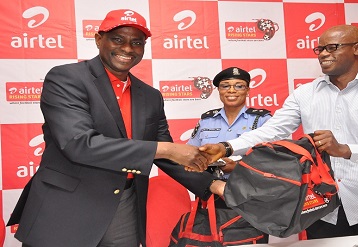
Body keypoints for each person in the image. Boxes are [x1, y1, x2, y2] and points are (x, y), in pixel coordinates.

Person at [7, 9, 220, 247]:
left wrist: (212, 184)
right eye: (118, 39)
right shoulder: (66, 78)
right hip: (66, 204)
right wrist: (167, 150)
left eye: (136, 43)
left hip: (124, 204)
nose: (127, 49)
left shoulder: (150, 96)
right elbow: (79, 143)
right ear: (99, 39)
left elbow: (166, 153)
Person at [200, 24, 358, 239]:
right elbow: (273, 131)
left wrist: (345, 150)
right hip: (321, 209)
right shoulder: (305, 94)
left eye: (332, 47)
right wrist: (226, 147)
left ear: (357, 48)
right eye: (319, 49)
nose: (323, 54)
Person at [188, 67, 271, 178]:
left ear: (247, 90)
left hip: (250, 189)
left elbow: (272, 159)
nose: (231, 90)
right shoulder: (206, 121)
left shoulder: (262, 120)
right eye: (225, 86)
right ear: (219, 90)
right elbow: (191, 152)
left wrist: (238, 166)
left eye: (239, 86)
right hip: (210, 188)